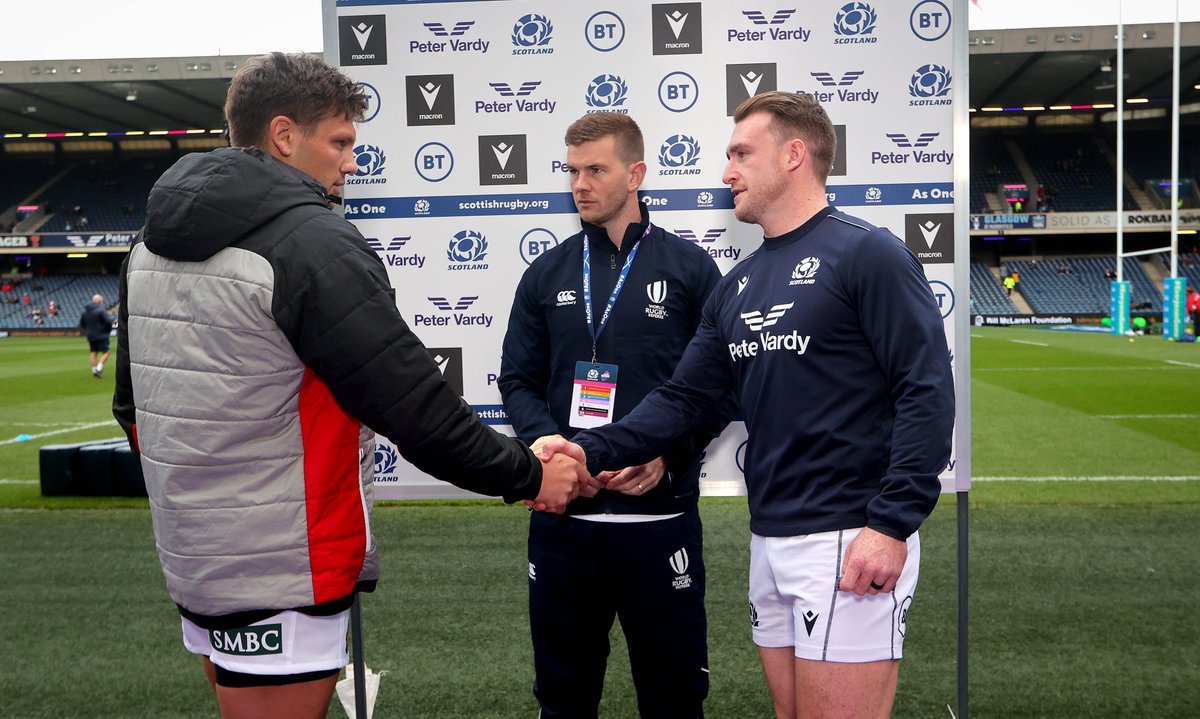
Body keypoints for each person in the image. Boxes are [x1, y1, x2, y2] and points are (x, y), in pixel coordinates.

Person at [111, 52, 586, 719]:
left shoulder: (145, 243)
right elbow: (412, 405)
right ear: (283, 136)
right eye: (339, 142)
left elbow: (130, 409)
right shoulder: (311, 241)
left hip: (197, 562)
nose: (351, 161)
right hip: (286, 565)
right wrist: (530, 475)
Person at [539, 91, 954, 719]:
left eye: (740, 153)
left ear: (793, 155)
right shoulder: (740, 282)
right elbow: (683, 398)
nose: (726, 170)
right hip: (772, 536)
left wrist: (892, 524)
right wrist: (585, 449)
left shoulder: (867, 253)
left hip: (849, 536)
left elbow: (925, 388)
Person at [499, 112, 734, 718]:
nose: (580, 184)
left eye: (595, 170)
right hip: (565, 523)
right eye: (572, 171)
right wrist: (548, 444)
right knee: (563, 697)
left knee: (674, 697)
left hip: (660, 521)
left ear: (635, 174)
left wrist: (667, 454)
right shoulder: (546, 272)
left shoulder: (689, 270)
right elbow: (519, 380)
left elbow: (719, 388)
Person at [79, 293, 113, 378]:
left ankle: (94, 370)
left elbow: (82, 324)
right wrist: (107, 330)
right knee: (107, 352)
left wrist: (88, 330)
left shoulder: (85, 312)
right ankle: (99, 368)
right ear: (99, 301)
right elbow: (108, 322)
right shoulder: (101, 310)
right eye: (102, 301)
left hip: (90, 335)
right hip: (101, 335)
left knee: (93, 352)